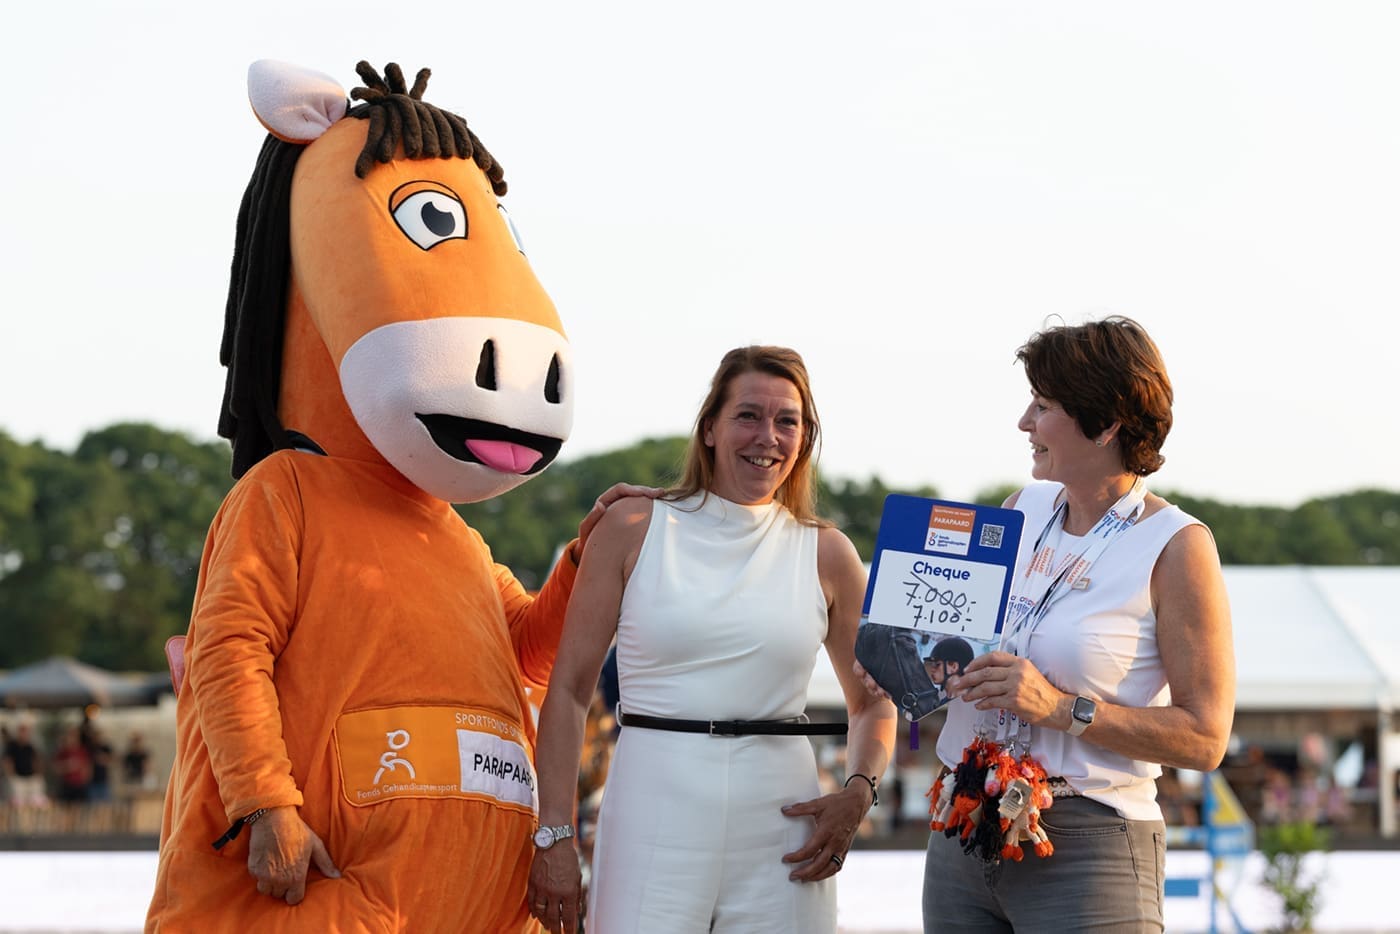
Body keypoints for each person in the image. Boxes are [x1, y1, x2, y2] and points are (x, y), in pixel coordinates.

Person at [528, 345, 898, 934]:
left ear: (804, 439)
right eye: (748, 415)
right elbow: (569, 691)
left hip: (786, 830)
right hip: (651, 816)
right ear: (709, 428)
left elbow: (875, 701)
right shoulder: (631, 527)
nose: (767, 436)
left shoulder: (829, 552)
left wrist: (859, 792)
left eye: (787, 421)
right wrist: (554, 835)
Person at [888, 316, 1234, 932]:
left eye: (1043, 406)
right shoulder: (1019, 509)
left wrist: (1059, 708)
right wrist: (905, 663)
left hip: (1089, 841)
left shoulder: (1176, 545)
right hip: (964, 820)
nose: (1024, 422)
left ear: (1105, 424)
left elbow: (1205, 739)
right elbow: (962, 654)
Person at [2, 721, 47, 807]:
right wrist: (11, 775)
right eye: (22, 732)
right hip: (18, 778)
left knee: (37, 797)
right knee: (18, 801)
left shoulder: (30, 747)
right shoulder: (12, 746)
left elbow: (37, 761)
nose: (24, 735)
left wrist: (38, 773)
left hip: (30, 777)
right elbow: (7, 761)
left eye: (26, 733)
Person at [924, 636, 974, 704]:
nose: (932, 670)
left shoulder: (973, 702)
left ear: (954, 667)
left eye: (937, 664)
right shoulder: (941, 703)